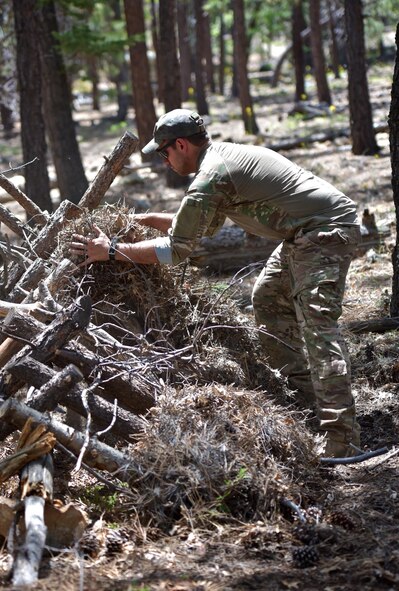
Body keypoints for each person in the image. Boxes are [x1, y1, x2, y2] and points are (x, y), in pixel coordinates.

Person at [71, 109, 361, 459]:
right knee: (268, 299)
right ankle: (309, 405)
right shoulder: (221, 160)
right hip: (305, 233)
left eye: (165, 153)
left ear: (181, 145)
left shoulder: (211, 176)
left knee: (318, 327)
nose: (165, 162)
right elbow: (202, 226)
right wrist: (140, 220)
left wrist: (113, 251)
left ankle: (341, 439)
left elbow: (177, 250)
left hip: (324, 232)